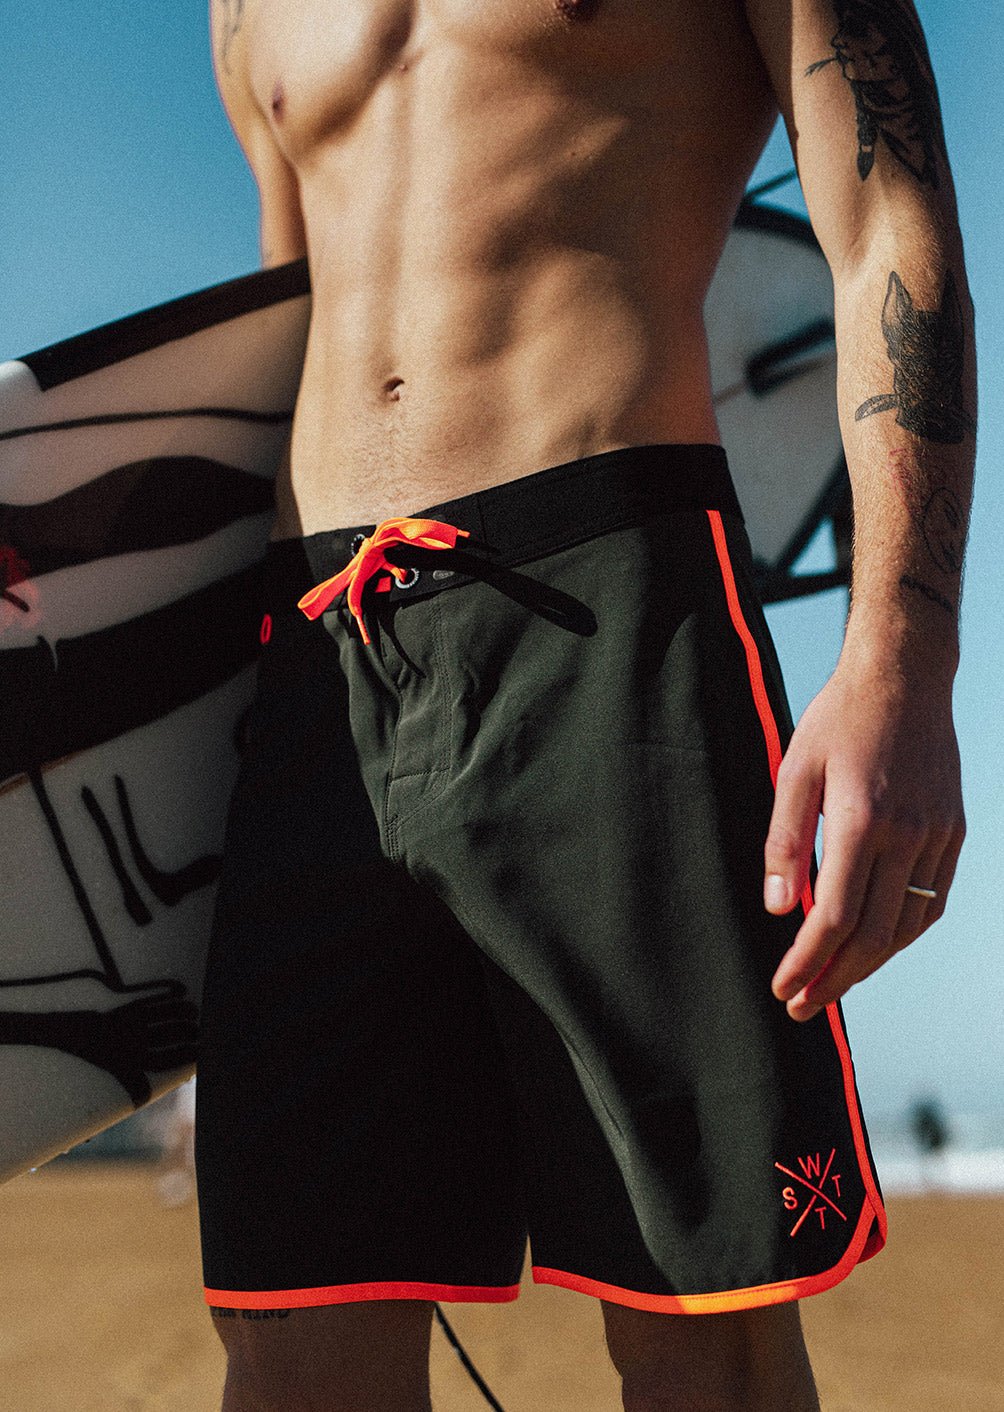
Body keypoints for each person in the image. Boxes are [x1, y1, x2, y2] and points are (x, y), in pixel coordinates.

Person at [195, 0, 973, 1407]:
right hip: (315, 655)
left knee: (702, 1319)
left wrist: (903, 656)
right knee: (294, 1325)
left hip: (611, 600)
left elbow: (889, 230)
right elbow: (279, 334)